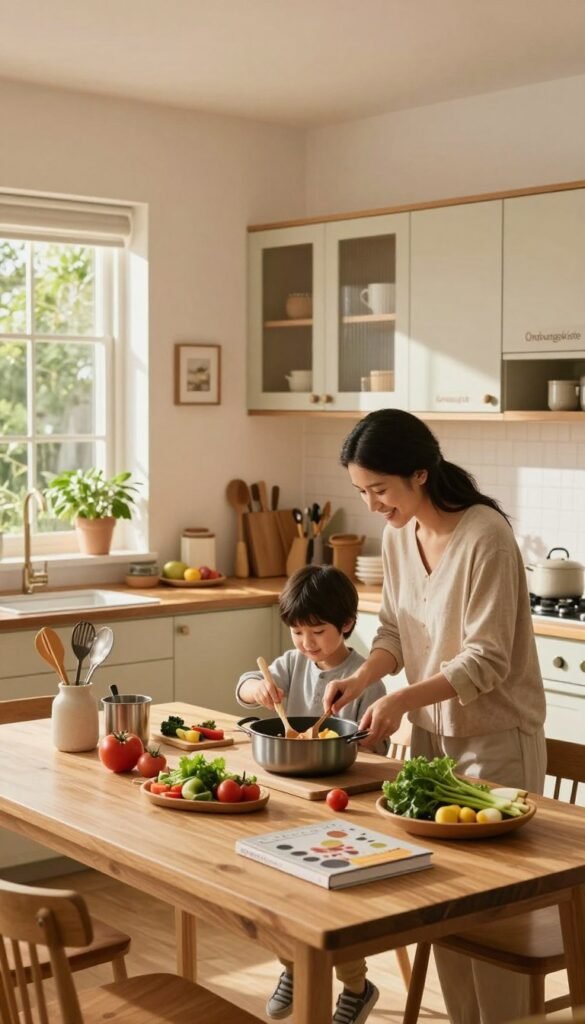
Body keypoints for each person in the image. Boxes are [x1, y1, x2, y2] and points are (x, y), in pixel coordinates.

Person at [322, 409, 547, 1024]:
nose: (371, 505)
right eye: (361, 492)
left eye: (379, 490)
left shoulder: (485, 536)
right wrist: (363, 678)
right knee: (444, 906)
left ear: (420, 474)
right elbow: (395, 629)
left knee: (495, 918)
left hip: (496, 740)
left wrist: (398, 699)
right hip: (431, 741)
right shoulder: (399, 537)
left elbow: (487, 661)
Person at [236, 564, 384, 1024]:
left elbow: (371, 749)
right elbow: (242, 687)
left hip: (344, 804)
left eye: (317, 631)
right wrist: (257, 687)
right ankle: (292, 968)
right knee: (278, 899)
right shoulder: (291, 663)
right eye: (298, 632)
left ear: (346, 625)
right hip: (289, 796)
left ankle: (357, 988)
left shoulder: (364, 677)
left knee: (327, 910)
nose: (306, 643)